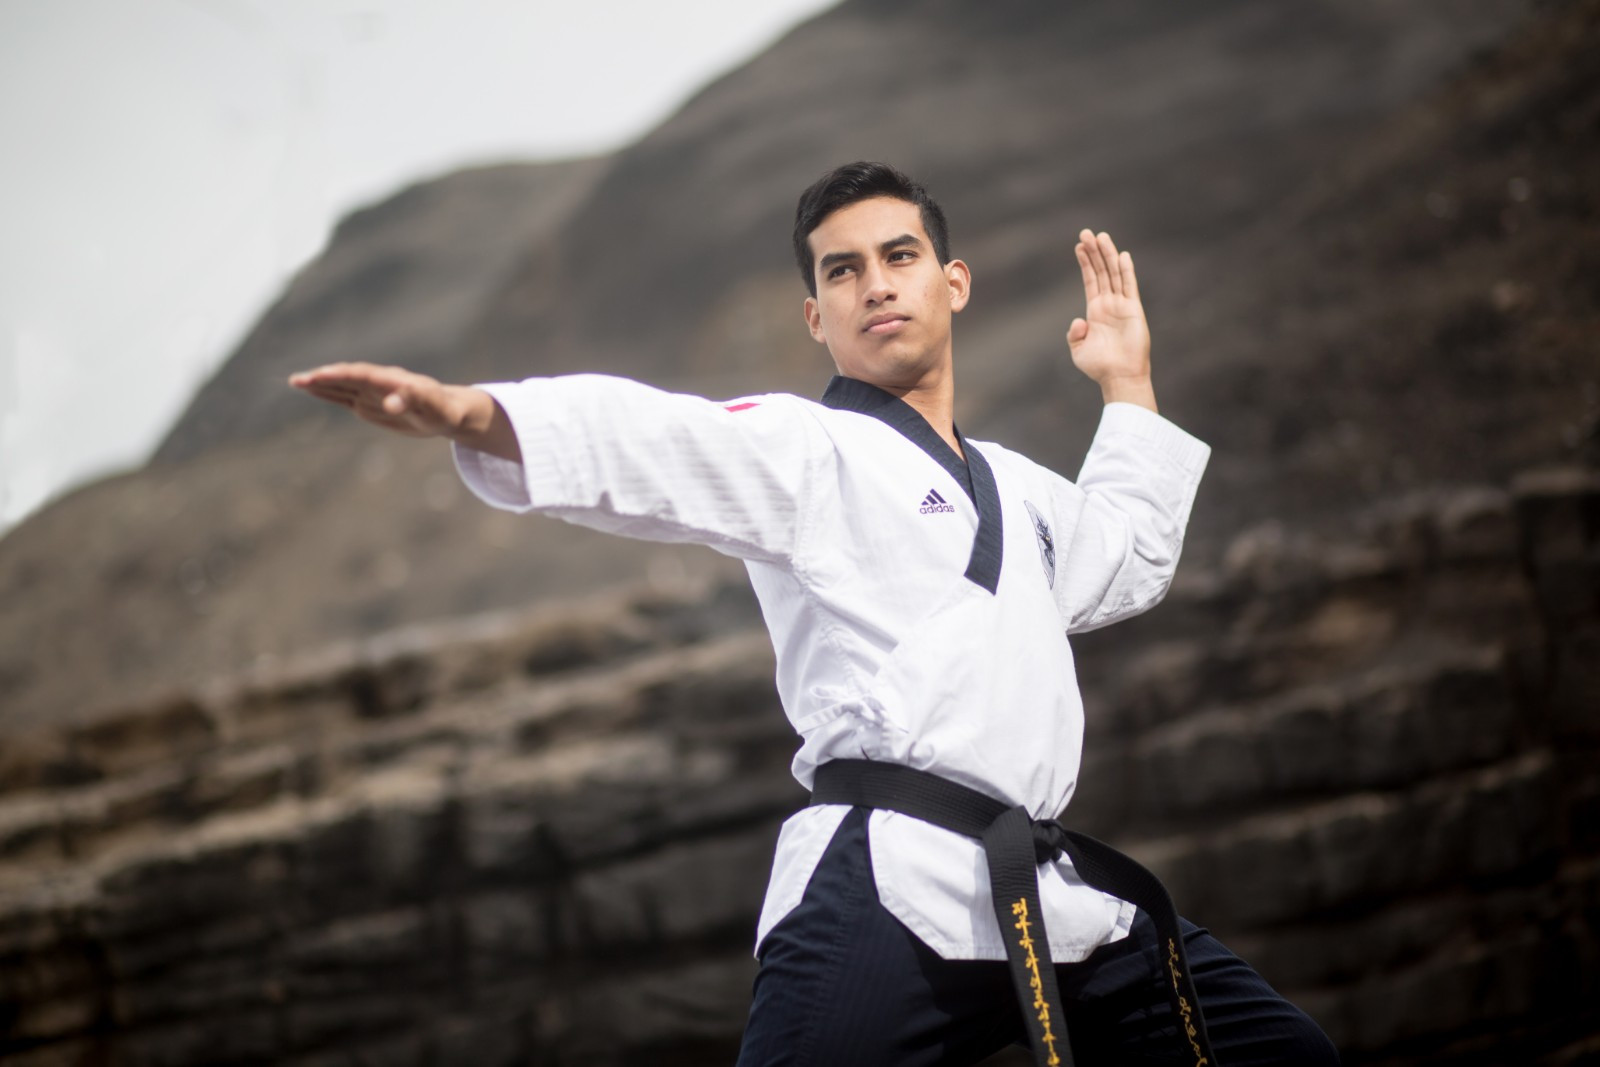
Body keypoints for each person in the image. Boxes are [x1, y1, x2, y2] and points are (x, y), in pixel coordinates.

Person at [290, 162, 1338, 1066]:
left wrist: (1127, 381)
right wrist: (477, 414)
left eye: (899, 256)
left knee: (1283, 1053)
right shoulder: (807, 450)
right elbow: (662, 442)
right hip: (886, 886)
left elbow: (1127, 556)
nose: (874, 284)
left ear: (952, 282)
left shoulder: (1016, 489)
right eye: (842, 271)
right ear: (816, 314)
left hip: (1046, 893)